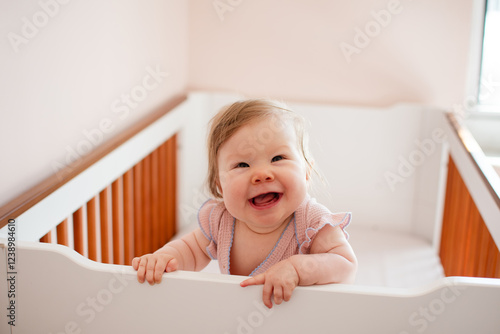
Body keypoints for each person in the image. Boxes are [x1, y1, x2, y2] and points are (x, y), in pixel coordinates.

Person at [132, 99, 357, 308]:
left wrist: (297, 269)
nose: (261, 174)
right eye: (242, 164)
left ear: (307, 173)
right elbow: (189, 251)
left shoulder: (312, 221)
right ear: (220, 186)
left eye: (278, 158)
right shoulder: (221, 220)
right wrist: (163, 259)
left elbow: (345, 264)